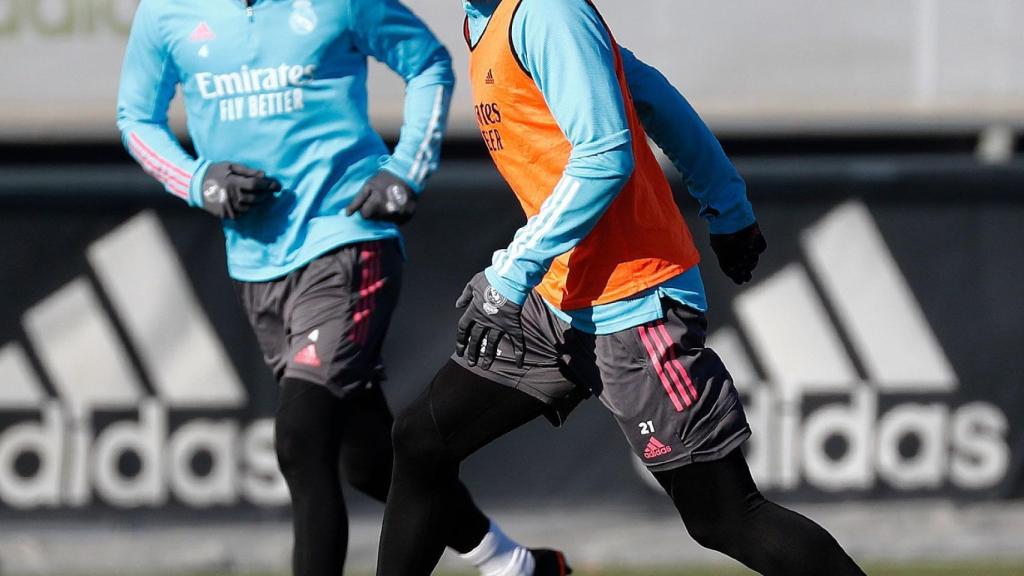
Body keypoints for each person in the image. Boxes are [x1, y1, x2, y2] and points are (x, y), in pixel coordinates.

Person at [375, 1, 868, 575]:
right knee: (421, 440)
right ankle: (516, 567)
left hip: (634, 305)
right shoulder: (481, 19)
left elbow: (605, 155)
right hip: (556, 300)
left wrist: (511, 274)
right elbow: (648, 90)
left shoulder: (546, 13)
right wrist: (727, 202)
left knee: (725, 517)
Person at [117, 1, 567, 575]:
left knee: (301, 439)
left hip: (347, 238)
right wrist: (198, 180)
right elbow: (136, 117)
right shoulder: (166, 13)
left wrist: (406, 169)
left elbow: (428, 62)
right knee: (370, 460)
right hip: (256, 260)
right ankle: (516, 565)